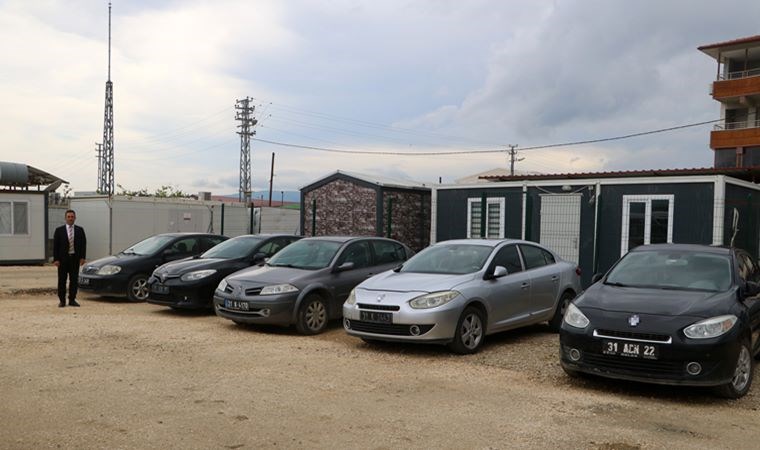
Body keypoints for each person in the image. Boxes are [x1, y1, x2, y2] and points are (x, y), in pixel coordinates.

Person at [53, 209, 87, 307]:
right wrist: (56, 259)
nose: (70, 218)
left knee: (74, 280)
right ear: (65, 218)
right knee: (62, 280)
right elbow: (56, 246)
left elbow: (83, 244)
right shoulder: (59, 230)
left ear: (75, 218)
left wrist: (82, 257)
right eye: (68, 217)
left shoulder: (80, 230)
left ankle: (72, 299)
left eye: (72, 217)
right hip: (63, 260)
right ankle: (62, 301)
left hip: (75, 259)